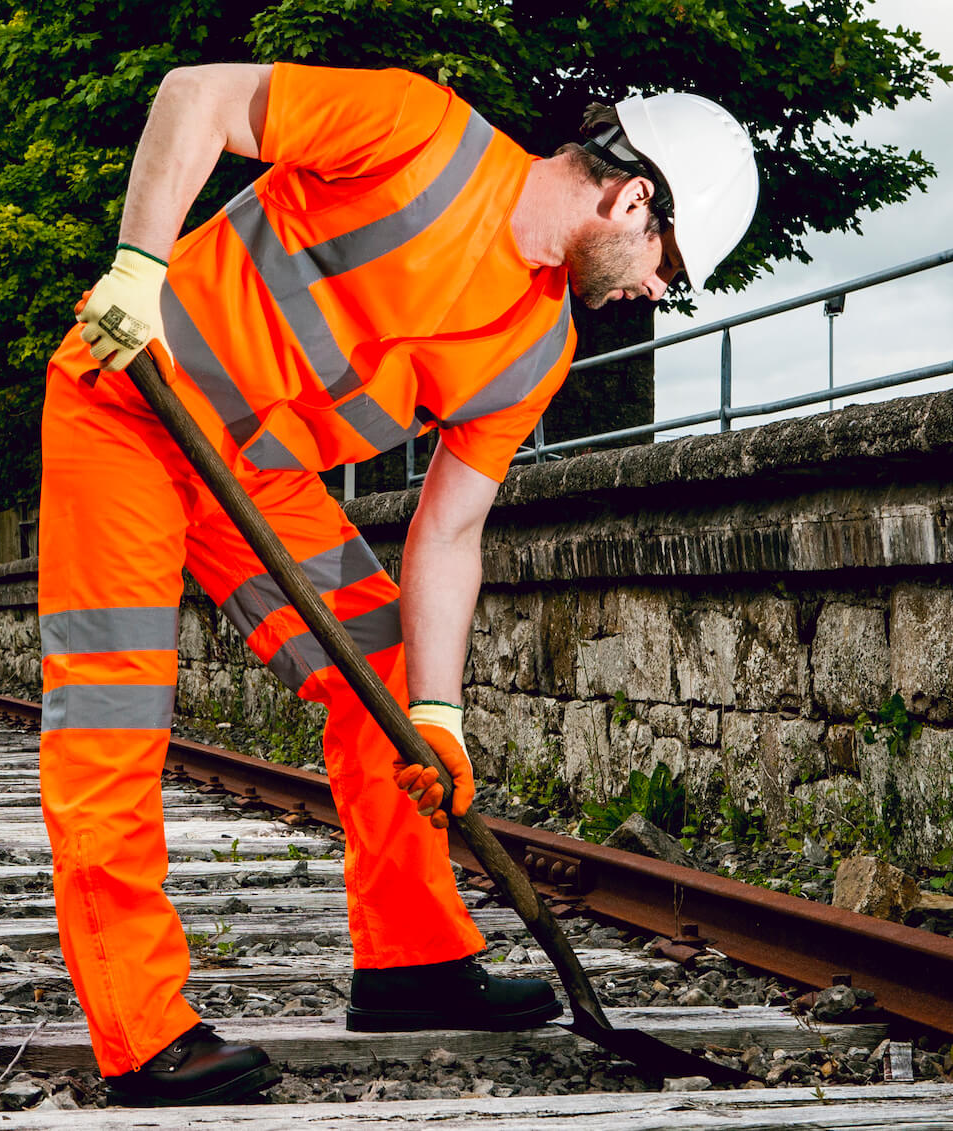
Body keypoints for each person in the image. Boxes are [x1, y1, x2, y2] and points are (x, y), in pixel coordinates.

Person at [41, 62, 759, 1106]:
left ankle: (413, 962)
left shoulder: (540, 346)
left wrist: (439, 711)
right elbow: (193, 96)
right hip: (128, 406)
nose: (658, 290)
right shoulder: (421, 131)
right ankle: (140, 1028)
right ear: (634, 196)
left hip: (257, 475)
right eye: (671, 264)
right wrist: (139, 268)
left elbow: (451, 529)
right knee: (114, 709)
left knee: (388, 690)